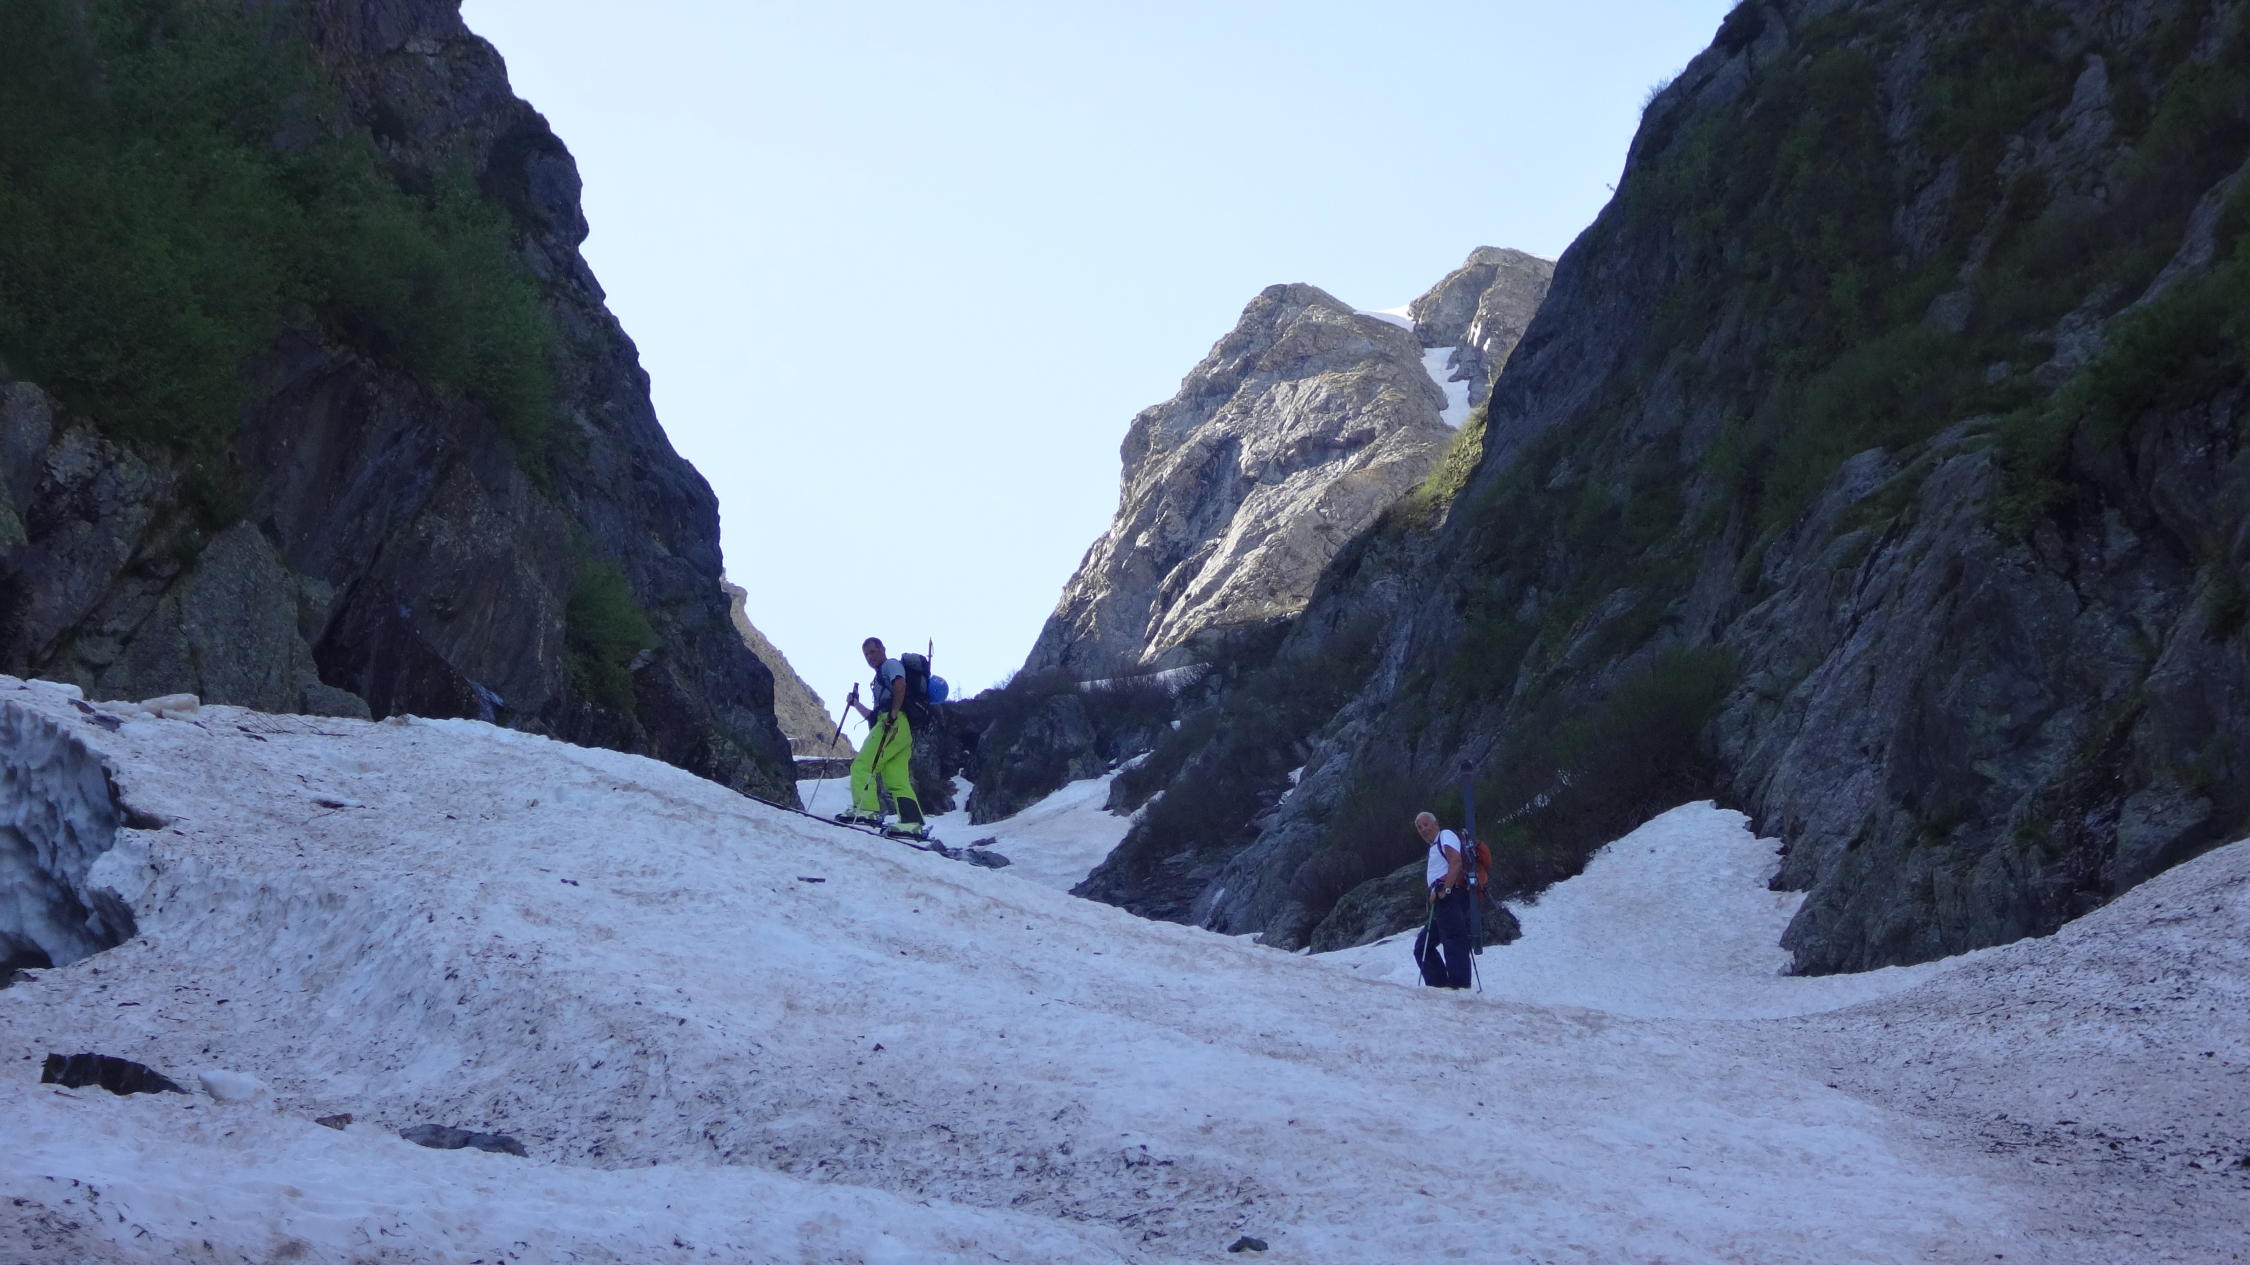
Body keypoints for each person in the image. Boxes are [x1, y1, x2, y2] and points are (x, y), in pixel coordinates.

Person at [839, 636, 925, 837]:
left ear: (882, 649)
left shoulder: (890, 665)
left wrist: (893, 715)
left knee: (862, 765)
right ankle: (912, 823)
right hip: (901, 729)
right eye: (866, 655)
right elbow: (873, 716)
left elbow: (900, 684)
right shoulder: (880, 679)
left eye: (872, 651)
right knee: (896, 779)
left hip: (892, 723)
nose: (870, 657)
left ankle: (866, 810)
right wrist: (855, 704)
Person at [1413, 811, 1473, 988]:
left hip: (1451, 895)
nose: (1423, 830)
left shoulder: (1445, 835)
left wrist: (1445, 889)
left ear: (1436, 823)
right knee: (1423, 946)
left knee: (1453, 939)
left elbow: (1456, 861)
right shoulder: (1435, 845)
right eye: (1419, 827)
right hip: (1441, 900)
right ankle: (1439, 986)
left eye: (1425, 824)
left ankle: (1459, 985)